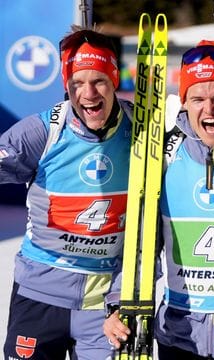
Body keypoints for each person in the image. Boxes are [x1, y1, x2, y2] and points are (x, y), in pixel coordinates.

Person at [103, 40, 214, 359]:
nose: (209, 109)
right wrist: (121, 303)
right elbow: (141, 247)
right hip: (181, 332)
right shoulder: (162, 159)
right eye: (198, 98)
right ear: (184, 102)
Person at [0, 28, 131, 359]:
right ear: (66, 85)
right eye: (77, 83)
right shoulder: (44, 130)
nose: (88, 93)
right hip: (38, 296)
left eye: (99, 81)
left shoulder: (140, 132)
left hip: (103, 308)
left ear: (114, 79)